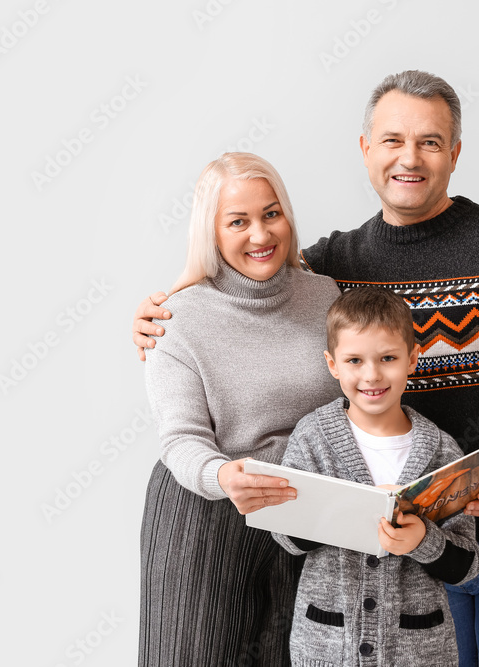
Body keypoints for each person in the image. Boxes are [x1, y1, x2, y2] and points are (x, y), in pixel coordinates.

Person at [132, 70, 479, 666]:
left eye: (430, 141)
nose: (409, 159)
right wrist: (163, 306)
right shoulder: (339, 264)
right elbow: (251, 276)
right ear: (366, 150)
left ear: (455, 152)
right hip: (392, 551)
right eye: (392, 140)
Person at [140, 152, 342, 666]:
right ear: (211, 232)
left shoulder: (325, 297)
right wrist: (222, 475)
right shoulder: (176, 318)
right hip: (205, 506)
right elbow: (180, 438)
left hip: (302, 513)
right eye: (238, 221)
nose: (260, 234)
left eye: (271, 214)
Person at [271, 286, 479, 666]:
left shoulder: (442, 451)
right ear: (332, 364)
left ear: (413, 359)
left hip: (418, 653)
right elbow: (286, 536)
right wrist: (349, 508)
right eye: (354, 360)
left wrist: (422, 540)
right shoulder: (312, 437)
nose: (372, 375)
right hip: (328, 647)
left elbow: (466, 565)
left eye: (388, 358)